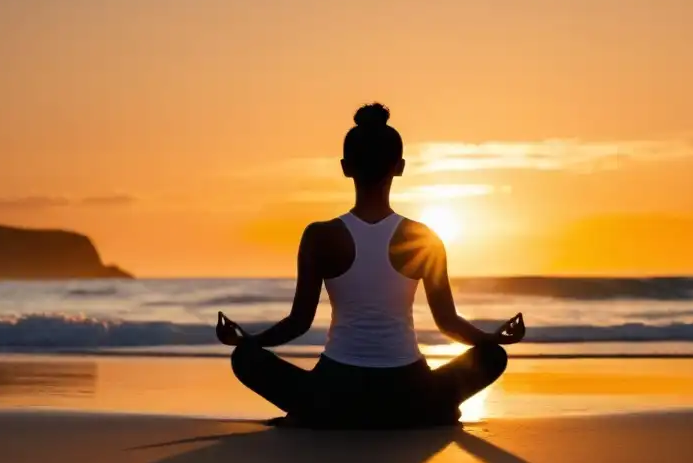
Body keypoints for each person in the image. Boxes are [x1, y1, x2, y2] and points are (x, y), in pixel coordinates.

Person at [216, 102, 525, 428]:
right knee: (492, 357)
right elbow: (448, 322)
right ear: (400, 167)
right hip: (410, 393)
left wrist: (247, 341)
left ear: (346, 167)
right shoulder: (424, 237)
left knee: (245, 360)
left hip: (335, 392)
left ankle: (319, 414)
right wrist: (494, 339)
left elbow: (298, 323)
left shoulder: (320, 236)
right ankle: (427, 412)